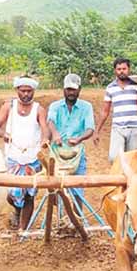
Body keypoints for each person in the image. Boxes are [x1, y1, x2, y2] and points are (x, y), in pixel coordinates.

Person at [0, 75, 49, 230]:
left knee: (30, 194)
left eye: (29, 91)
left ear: (34, 91)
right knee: (11, 193)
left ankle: (24, 229)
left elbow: (45, 129)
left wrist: (44, 140)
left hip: (32, 158)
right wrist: (4, 134)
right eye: (23, 91)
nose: (26, 94)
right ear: (17, 90)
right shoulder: (8, 107)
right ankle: (17, 210)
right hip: (13, 156)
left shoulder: (39, 109)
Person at [47, 73, 95, 214]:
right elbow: (50, 121)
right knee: (57, 189)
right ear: (63, 89)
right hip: (57, 152)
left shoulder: (86, 107)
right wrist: (55, 134)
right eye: (68, 89)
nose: (71, 93)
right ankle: (61, 218)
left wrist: (79, 138)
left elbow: (90, 129)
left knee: (77, 189)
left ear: (79, 89)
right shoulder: (55, 106)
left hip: (76, 153)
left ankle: (77, 220)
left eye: (74, 90)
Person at [93, 58, 137, 163]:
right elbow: (105, 111)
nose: (122, 71)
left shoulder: (136, 85)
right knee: (114, 158)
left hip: (134, 127)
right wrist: (97, 131)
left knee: (132, 160)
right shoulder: (110, 87)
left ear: (129, 69)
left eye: (124, 68)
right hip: (118, 127)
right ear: (115, 70)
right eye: (119, 69)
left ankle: (128, 180)